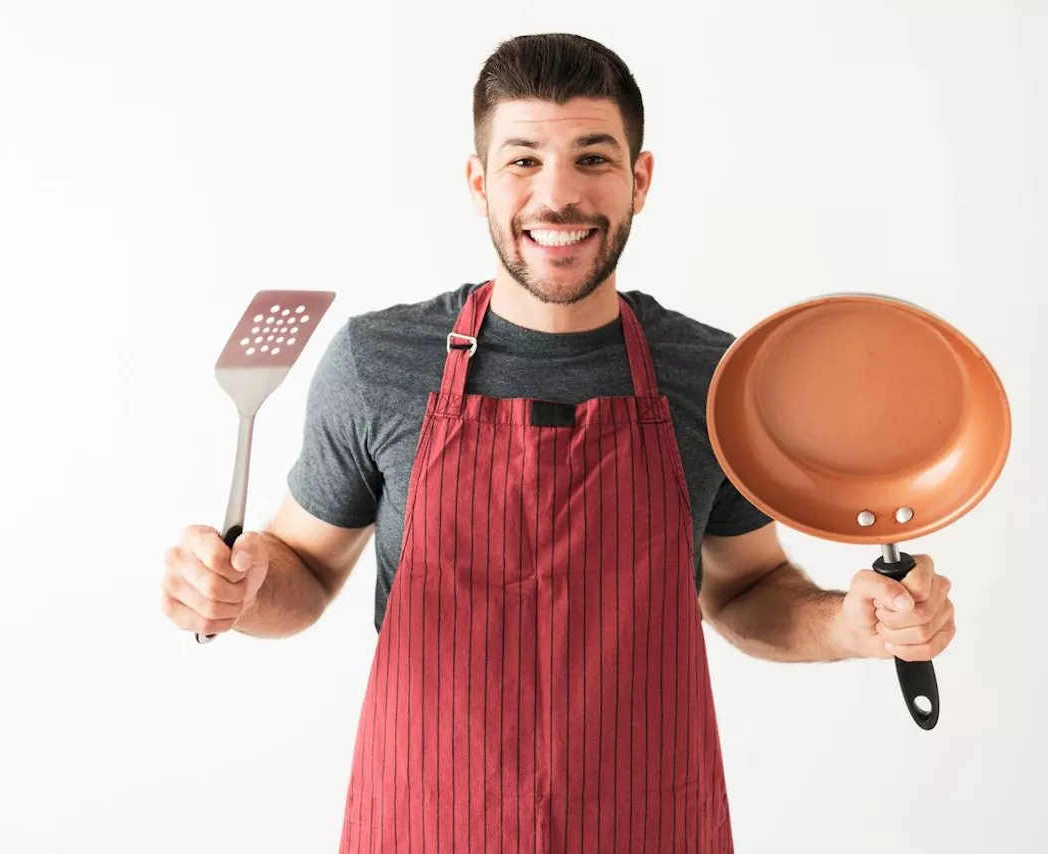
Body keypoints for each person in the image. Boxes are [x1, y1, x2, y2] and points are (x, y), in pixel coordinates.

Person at [160, 32, 957, 852]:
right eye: (523, 161)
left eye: (593, 158)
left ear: (639, 180)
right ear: (478, 182)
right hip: (433, 822)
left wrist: (849, 626)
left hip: (648, 822)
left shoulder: (713, 377)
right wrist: (244, 586)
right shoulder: (379, 362)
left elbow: (749, 589)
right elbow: (306, 567)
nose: (558, 196)